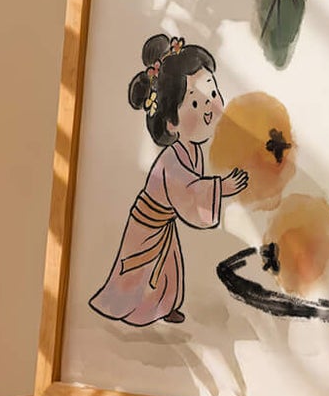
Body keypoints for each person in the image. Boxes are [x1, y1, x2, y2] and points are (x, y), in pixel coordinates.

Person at [88, 33, 246, 326]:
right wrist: (220, 187)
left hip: (162, 222)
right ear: (172, 123)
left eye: (212, 93)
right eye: (195, 104)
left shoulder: (190, 150)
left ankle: (162, 307)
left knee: (167, 269)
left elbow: (191, 189)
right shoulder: (172, 160)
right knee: (137, 271)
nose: (210, 107)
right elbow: (188, 190)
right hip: (147, 223)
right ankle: (126, 307)